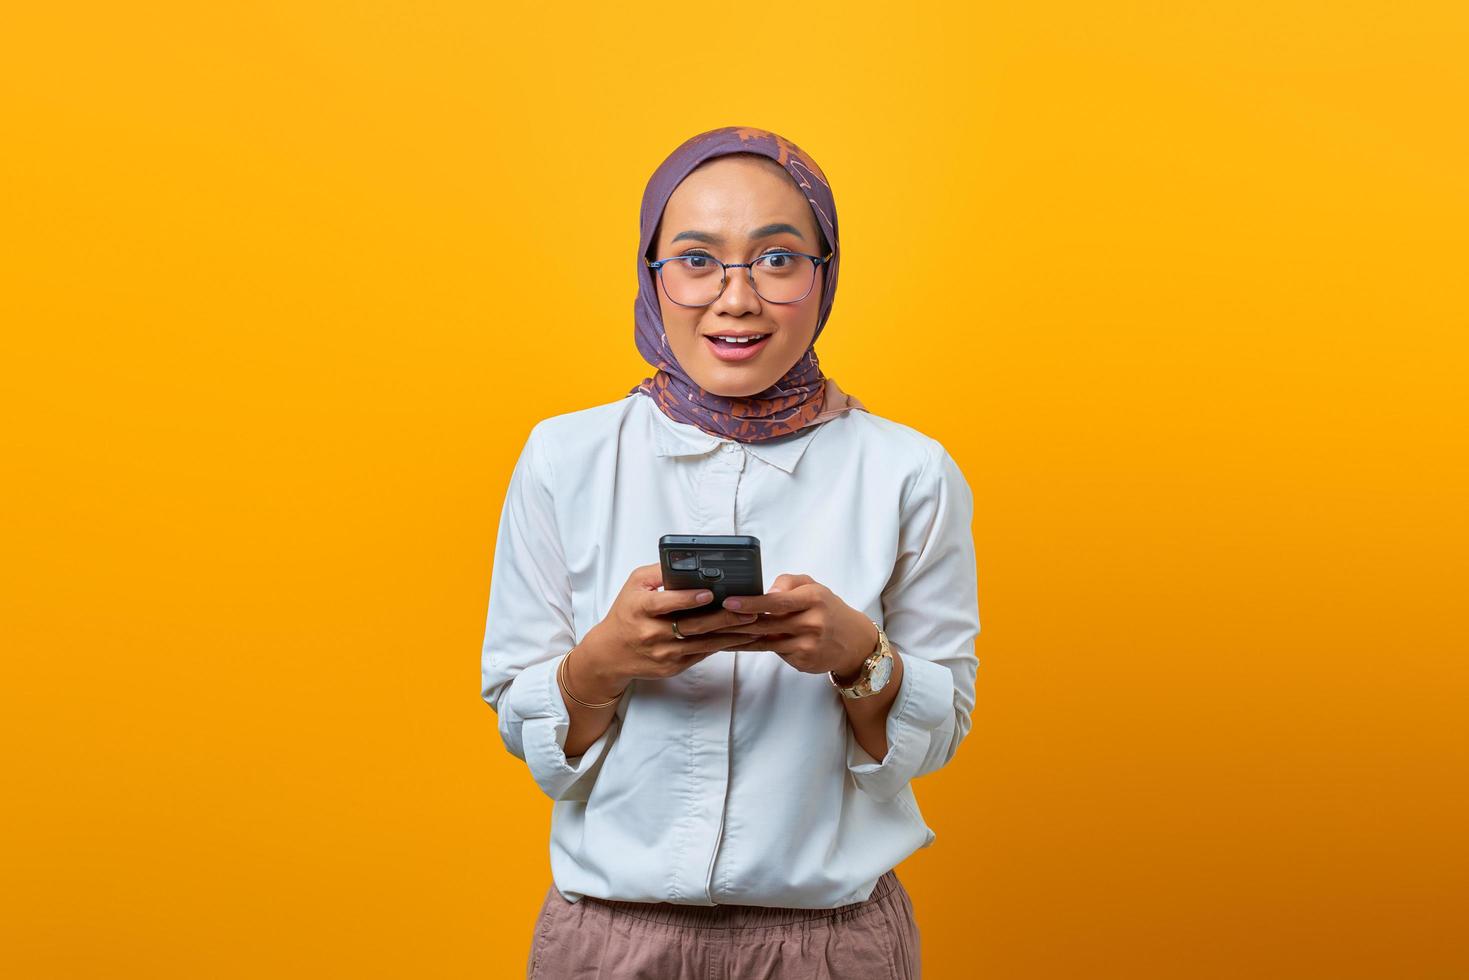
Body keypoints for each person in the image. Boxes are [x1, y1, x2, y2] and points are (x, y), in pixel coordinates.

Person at [481, 125, 981, 979]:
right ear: (652, 276)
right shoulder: (564, 458)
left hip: (831, 945)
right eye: (697, 259)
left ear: (824, 275)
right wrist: (601, 662)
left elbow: (934, 740)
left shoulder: (910, 472)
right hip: (607, 943)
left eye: (778, 259)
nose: (736, 298)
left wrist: (859, 656)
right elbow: (523, 727)